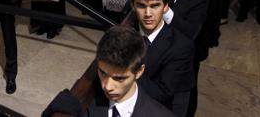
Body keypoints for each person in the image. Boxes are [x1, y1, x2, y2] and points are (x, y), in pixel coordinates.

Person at [43, 26, 175, 117]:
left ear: (139, 71)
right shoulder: (79, 101)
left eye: (119, 78)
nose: (107, 86)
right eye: (103, 73)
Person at [130, 0, 195, 117]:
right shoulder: (125, 33)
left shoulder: (181, 47)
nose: (148, 14)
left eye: (154, 6)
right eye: (141, 6)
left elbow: (162, 94)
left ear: (165, 6)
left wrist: (126, 70)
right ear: (132, 5)